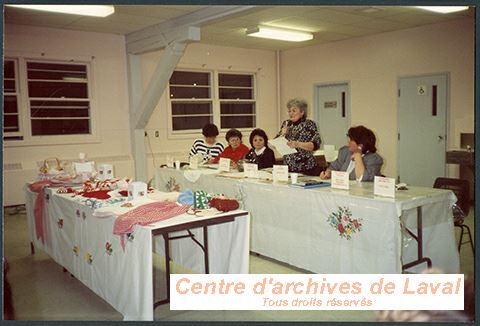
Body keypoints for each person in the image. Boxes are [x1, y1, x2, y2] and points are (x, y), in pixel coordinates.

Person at [276, 98, 322, 176]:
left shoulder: (309, 124)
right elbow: (275, 143)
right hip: (289, 168)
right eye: (289, 111)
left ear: (302, 112)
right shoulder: (286, 123)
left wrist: (298, 144)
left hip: (306, 168)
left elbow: (315, 145)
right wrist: (282, 134)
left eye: (294, 111)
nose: (291, 113)